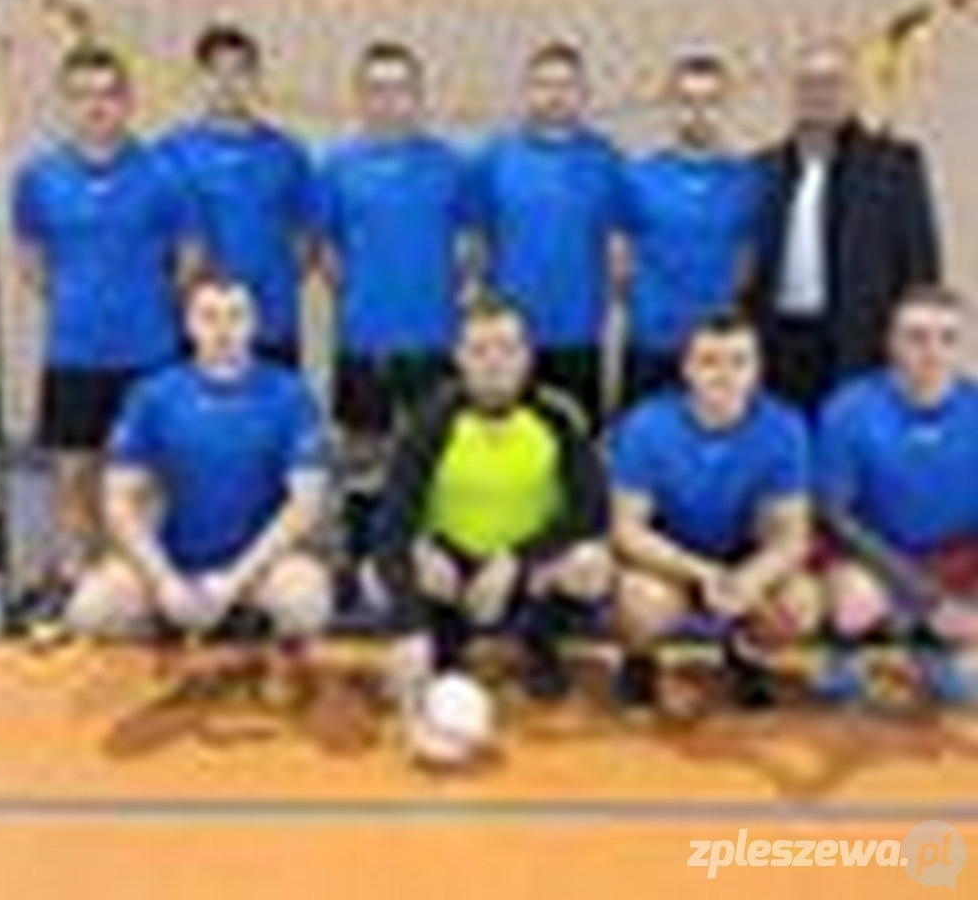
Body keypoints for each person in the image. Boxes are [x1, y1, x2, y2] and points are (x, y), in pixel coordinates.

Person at [66, 274, 332, 664]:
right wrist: (163, 581)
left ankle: (236, 624)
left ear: (255, 324)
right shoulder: (152, 395)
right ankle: (174, 627)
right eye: (209, 316)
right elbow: (117, 501)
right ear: (188, 325)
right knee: (90, 611)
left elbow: (305, 505)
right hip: (169, 562)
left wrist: (233, 583)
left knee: (306, 605)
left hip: (256, 567)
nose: (223, 330)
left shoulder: (291, 396)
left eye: (236, 316)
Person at [13, 44, 195, 584]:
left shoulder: (164, 174)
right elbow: (31, 258)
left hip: (150, 352)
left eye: (108, 94)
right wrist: (79, 301)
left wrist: (149, 302)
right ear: (65, 102)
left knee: (148, 476)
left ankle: (146, 582)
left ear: (127, 101)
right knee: (74, 474)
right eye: (82, 95)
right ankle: (77, 578)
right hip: (73, 353)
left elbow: (190, 256)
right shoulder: (38, 177)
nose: (96, 106)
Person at [375, 296, 611, 703]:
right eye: (479, 350)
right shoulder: (428, 422)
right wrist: (408, 627)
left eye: (507, 348)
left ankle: (539, 642)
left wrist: (518, 559)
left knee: (591, 563)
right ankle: (443, 640)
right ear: (459, 357)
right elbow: (391, 527)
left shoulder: (558, 418)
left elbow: (592, 511)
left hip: (525, 568)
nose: (494, 362)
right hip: (453, 570)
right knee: (382, 574)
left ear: (527, 356)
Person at [610, 312, 816, 708]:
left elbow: (793, 537)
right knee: (640, 601)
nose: (725, 376)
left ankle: (745, 653)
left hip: (744, 556)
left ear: (758, 369)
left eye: (739, 362)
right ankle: (641, 660)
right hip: (673, 560)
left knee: (801, 604)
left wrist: (750, 578)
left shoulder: (785, 427)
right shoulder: (646, 425)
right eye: (709, 362)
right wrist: (703, 573)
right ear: (686, 369)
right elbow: (627, 530)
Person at [749, 39, 941, 412]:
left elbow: (921, 266)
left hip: (859, 347)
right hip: (777, 346)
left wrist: (917, 349)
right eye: (808, 83)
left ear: (854, 91)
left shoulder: (895, 166)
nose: (819, 94)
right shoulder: (763, 168)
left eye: (832, 82)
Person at [815, 286, 978, 701]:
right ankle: (848, 650)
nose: (932, 352)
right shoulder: (849, 408)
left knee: (966, 684)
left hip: (955, 556)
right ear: (891, 343)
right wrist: (926, 596)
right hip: (874, 556)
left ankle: (930, 646)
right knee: (854, 606)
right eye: (916, 337)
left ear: (963, 346)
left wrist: (965, 601)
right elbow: (835, 517)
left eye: (947, 338)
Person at [316, 41, 474, 442]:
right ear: (359, 97)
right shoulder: (336, 166)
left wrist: (449, 292)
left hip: (436, 341)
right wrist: (360, 298)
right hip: (363, 344)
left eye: (400, 88)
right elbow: (326, 249)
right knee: (364, 460)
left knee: (434, 456)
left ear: (418, 96)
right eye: (376, 89)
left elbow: (470, 244)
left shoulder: (451, 165)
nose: (388, 101)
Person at [471, 42, 630, 426]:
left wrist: (613, 296)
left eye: (565, 85)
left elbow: (620, 248)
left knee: (575, 438)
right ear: (527, 91)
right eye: (543, 84)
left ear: (582, 94)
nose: (554, 95)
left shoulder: (607, 161)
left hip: (580, 333)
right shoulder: (495, 158)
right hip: (510, 339)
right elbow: (476, 243)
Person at [158, 24, 316, 367]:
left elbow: (304, 245)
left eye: (239, 71)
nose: (227, 83)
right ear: (199, 79)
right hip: (198, 331)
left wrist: (270, 288)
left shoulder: (287, 153)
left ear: (255, 79)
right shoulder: (169, 154)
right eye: (216, 72)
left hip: (272, 327)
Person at [620, 51, 761, 403]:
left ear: (725, 108)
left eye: (710, 101)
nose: (698, 113)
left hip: (717, 354)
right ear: (670, 107)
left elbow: (749, 264)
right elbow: (617, 263)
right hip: (652, 346)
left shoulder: (747, 181)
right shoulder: (637, 178)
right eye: (687, 101)